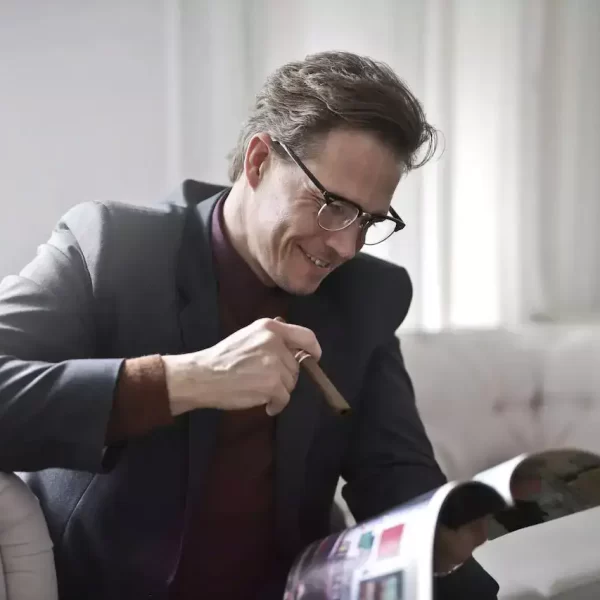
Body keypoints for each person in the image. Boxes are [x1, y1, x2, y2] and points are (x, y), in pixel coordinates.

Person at [0, 50, 498, 599]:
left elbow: (393, 473)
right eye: (332, 205)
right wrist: (185, 380)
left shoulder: (367, 295)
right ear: (259, 161)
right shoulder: (110, 247)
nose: (345, 246)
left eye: (370, 220)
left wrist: (447, 537)